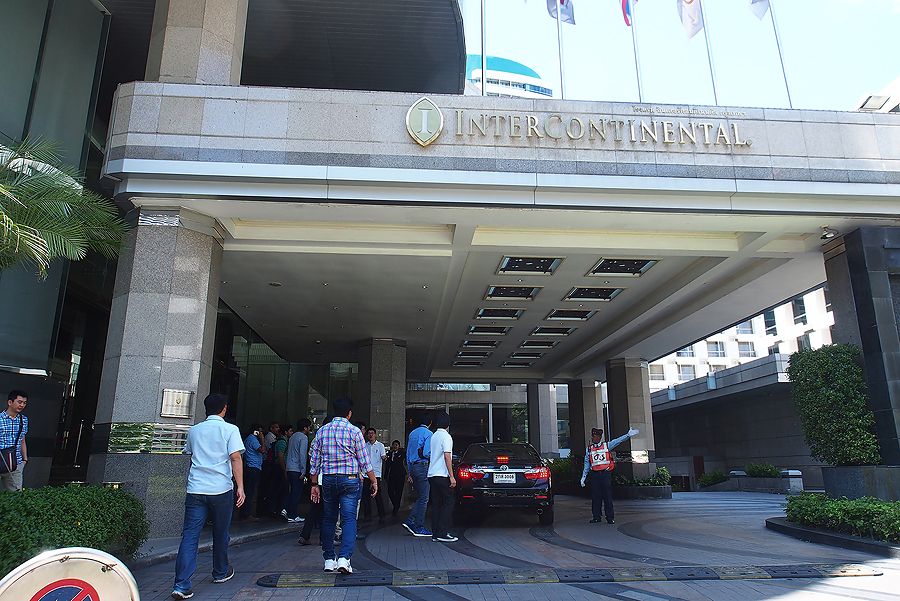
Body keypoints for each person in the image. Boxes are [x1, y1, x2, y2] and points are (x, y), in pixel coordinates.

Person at [171, 394, 245, 600]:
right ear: (224, 408)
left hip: (196, 489)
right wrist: (240, 487)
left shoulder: (194, 430)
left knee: (190, 536)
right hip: (221, 489)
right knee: (221, 532)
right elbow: (235, 457)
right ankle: (220, 572)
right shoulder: (230, 429)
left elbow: (190, 453)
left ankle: (181, 585)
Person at [309, 398, 377, 574]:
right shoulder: (354, 431)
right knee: (348, 519)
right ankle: (344, 558)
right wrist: (374, 480)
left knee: (329, 519)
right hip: (350, 479)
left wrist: (314, 483)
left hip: (328, 479)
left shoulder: (322, 431)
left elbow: (314, 461)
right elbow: (364, 461)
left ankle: (329, 559)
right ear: (349, 413)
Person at [580, 426, 639, 525]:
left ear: (599, 437)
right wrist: (583, 477)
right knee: (595, 497)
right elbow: (587, 463)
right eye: (592, 436)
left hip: (605, 474)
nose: (592, 438)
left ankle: (610, 517)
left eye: (594, 436)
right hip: (595, 475)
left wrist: (627, 435)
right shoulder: (589, 449)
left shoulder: (606, 446)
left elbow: (617, 441)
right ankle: (596, 517)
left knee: (607, 496)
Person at [427, 411, 457, 542]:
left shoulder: (434, 436)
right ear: (448, 423)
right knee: (449, 501)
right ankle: (443, 532)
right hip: (442, 474)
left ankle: (435, 533)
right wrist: (452, 476)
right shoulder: (446, 437)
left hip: (432, 474)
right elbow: (447, 456)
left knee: (436, 504)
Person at [402, 414, 433, 537]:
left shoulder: (412, 433)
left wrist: (409, 472)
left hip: (413, 467)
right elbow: (426, 452)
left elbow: (408, 454)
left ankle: (412, 521)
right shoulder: (429, 434)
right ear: (430, 423)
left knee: (420, 497)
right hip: (422, 466)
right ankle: (417, 525)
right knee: (424, 498)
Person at [283, 418, 311, 523]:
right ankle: (292, 514)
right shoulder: (303, 437)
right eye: (309, 427)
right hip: (297, 469)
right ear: (305, 428)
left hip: (289, 467)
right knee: (296, 492)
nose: (309, 429)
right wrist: (303, 470)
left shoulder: (292, 436)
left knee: (291, 491)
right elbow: (302, 454)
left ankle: (285, 508)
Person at [0, 390, 28, 492]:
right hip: (1, 458)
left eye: (24, 403)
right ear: (10, 402)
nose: (22, 405)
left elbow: (22, 439)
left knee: (15, 495)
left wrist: (25, 460)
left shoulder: (23, 420)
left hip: (16, 463)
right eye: (19, 402)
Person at [239, 423, 265, 520]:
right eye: (260, 431)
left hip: (252, 467)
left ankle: (245, 512)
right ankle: (247, 513)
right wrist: (262, 439)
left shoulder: (250, 439)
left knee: (249, 490)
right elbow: (262, 450)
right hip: (252, 467)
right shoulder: (253, 439)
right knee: (250, 491)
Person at [362, 427, 387, 523]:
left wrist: (385, 458)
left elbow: (383, 456)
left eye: (372, 433)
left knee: (378, 495)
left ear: (375, 434)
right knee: (366, 496)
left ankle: (382, 515)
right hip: (366, 474)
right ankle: (367, 516)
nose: (370, 435)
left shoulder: (380, 445)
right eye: (369, 433)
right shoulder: (365, 445)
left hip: (376, 473)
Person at [384, 439, 406, 516]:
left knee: (398, 492)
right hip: (392, 475)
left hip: (400, 475)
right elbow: (387, 466)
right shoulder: (389, 454)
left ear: (399, 446)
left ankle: (396, 508)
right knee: (390, 491)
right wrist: (385, 475)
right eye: (394, 445)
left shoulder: (402, 454)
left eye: (396, 445)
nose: (395, 446)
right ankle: (396, 504)